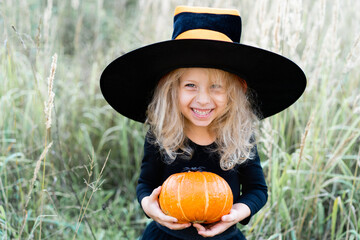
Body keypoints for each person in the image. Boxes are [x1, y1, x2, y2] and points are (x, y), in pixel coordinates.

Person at [100, 5, 306, 240]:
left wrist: (238, 212)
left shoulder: (239, 136)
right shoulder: (161, 134)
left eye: (216, 87)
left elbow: (257, 189)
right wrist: (149, 206)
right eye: (190, 85)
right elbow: (146, 183)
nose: (203, 99)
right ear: (172, 89)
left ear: (235, 92)